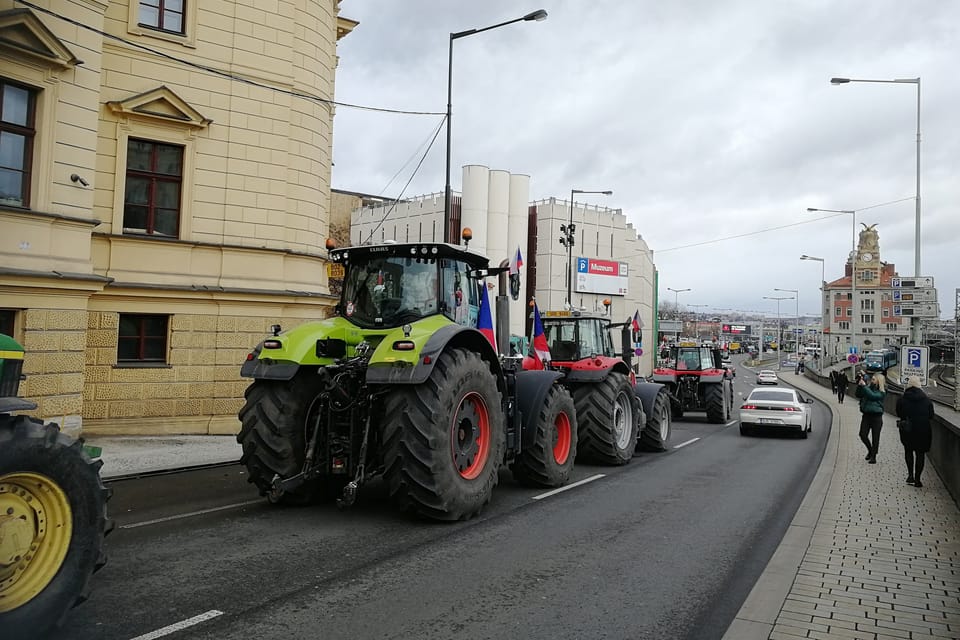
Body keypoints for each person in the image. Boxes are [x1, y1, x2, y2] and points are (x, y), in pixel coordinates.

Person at [895, 377, 934, 487]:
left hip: (908, 429)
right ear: (919, 385)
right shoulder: (926, 400)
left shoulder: (902, 399)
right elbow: (931, 415)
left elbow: (898, 413)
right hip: (923, 430)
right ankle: (918, 479)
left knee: (908, 451)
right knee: (920, 454)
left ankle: (910, 475)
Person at [855, 371, 886, 464]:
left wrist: (864, 387)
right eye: (871, 379)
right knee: (862, 434)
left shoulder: (882, 392)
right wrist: (860, 386)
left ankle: (873, 456)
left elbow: (873, 396)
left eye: (873, 379)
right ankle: (870, 450)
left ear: (878, 381)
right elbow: (858, 395)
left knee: (875, 437)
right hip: (866, 415)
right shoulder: (867, 388)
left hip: (877, 417)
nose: (871, 381)